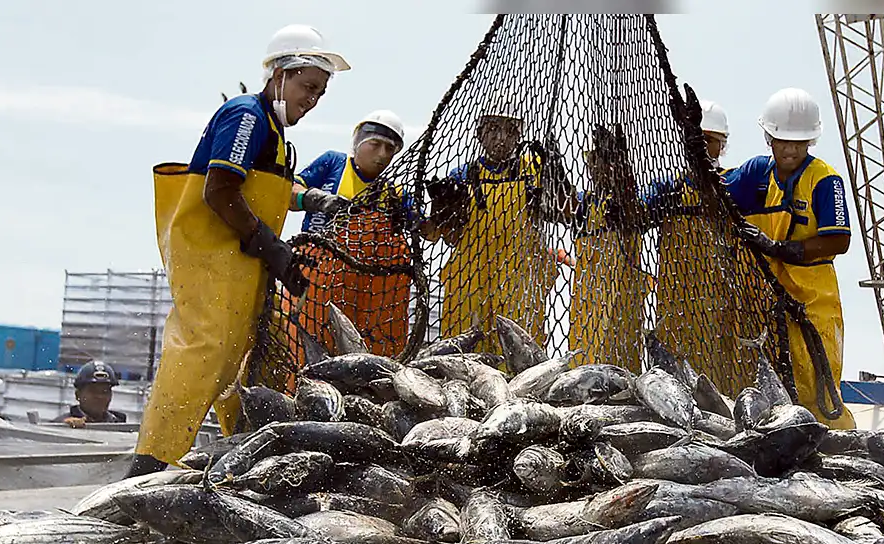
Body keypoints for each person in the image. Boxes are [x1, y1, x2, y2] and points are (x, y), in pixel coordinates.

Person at [125, 24, 351, 478]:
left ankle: (241, 451)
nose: (312, 99)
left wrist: (309, 200)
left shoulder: (276, 132)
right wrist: (271, 247)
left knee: (241, 357)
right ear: (280, 74)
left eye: (321, 93)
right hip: (212, 257)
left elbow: (263, 188)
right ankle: (151, 463)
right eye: (308, 86)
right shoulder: (247, 114)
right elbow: (221, 188)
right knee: (204, 350)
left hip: (240, 262)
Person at [722, 87, 856, 430]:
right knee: (759, 384)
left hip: (813, 299)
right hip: (763, 298)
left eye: (800, 143)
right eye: (783, 141)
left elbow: (838, 240)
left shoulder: (825, 180)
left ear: (811, 141)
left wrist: (779, 248)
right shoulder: (756, 174)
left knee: (816, 385)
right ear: (769, 137)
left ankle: (835, 450)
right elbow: (714, 186)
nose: (791, 150)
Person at [425, 103, 564, 356]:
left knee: (518, 352)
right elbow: (443, 236)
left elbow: (563, 210)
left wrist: (556, 171)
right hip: (470, 278)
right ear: (479, 134)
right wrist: (441, 215)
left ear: (519, 136)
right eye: (493, 129)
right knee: (464, 349)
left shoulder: (533, 170)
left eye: (510, 131)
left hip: (518, 278)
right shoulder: (463, 175)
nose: (501, 138)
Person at [285, 110, 412, 362]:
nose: (382, 155)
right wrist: (315, 199)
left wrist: (447, 208)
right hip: (316, 275)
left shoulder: (395, 192)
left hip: (369, 291)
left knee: (367, 357)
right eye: (375, 144)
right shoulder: (333, 163)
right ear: (358, 142)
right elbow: (288, 192)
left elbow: (428, 233)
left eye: (390, 149)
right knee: (307, 347)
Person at [568, 124, 650, 372]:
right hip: (586, 306)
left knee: (618, 369)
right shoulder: (584, 202)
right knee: (583, 366)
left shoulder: (631, 201)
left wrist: (624, 178)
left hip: (621, 302)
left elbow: (634, 213)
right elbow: (562, 206)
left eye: (603, 161)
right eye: (591, 160)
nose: (596, 167)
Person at [53, 360, 126, 428]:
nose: (99, 396)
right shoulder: (61, 424)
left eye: (105, 391)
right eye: (93, 391)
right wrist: (64, 427)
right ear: (77, 395)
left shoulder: (118, 423)